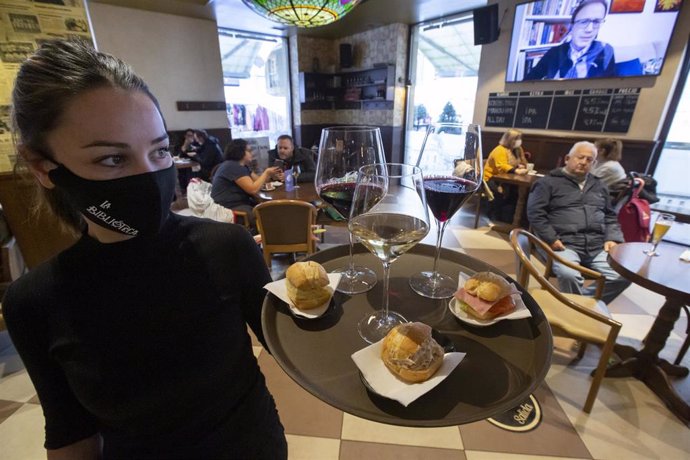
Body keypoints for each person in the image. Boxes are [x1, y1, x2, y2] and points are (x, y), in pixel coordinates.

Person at [3, 39, 287, 459]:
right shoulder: (34, 302)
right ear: (43, 168)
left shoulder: (228, 247)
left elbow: (298, 352)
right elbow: (70, 434)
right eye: (112, 160)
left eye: (158, 151)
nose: (149, 176)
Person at [526, 141, 630, 304]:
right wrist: (551, 238)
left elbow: (610, 215)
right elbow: (535, 214)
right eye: (580, 157)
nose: (583, 162)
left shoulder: (599, 185)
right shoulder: (547, 183)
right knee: (569, 274)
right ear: (568, 158)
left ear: (594, 163)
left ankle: (580, 305)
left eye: (589, 160)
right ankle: (576, 307)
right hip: (563, 243)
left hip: (596, 245)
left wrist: (613, 238)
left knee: (623, 275)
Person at [525, 0, 616, 80]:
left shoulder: (606, 50)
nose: (589, 29)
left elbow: (609, 86)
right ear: (572, 24)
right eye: (583, 21)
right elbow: (528, 81)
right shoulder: (554, 53)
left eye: (596, 22)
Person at [211, 139, 281, 231]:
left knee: (267, 209)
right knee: (265, 216)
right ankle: (264, 240)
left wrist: (271, 176)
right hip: (228, 207)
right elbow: (252, 189)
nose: (251, 153)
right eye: (248, 151)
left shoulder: (242, 166)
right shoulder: (233, 166)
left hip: (236, 203)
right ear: (239, 152)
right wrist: (266, 173)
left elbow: (258, 181)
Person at [483, 128, 529, 222]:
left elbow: (523, 161)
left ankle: (512, 218)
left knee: (515, 193)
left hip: (506, 179)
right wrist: (516, 171)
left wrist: (520, 165)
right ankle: (494, 215)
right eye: (516, 139)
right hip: (491, 178)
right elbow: (501, 166)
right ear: (509, 139)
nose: (519, 141)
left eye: (519, 139)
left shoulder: (517, 150)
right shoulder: (499, 150)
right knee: (499, 194)